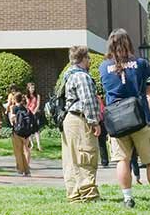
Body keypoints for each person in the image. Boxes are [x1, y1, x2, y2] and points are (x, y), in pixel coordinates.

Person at [104, 28, 150, 209]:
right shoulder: (141, 63)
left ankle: (128, 199)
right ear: (129, 43)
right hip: (140, 117)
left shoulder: (103, 67)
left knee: (122, 160)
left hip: (117, 121)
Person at [58, 44, 101, 202]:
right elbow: (88, 101)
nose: (90, 61)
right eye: (88, 58)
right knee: (86, 155)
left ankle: (74, 194)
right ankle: (89, 194)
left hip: (69, 119)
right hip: (80, 119)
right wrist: (94, 122)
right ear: (84, 58)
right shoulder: (82, 76)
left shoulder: (68, 75)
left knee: (70, 159)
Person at [7, 90, 35, 177]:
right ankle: (27, 170)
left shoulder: (14, 108)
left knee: (18, 152)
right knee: (26, 150)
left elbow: (12, 120)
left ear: (15, 99)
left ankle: (21, 169)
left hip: (17, 132)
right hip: (26, 132)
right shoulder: (25, 108)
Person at [24, 80, 43, 152]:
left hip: (35, 114)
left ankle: (39, 145)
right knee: (29, 130)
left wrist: (34, 112)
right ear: (28, 89)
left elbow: (38, 105)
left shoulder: (37, 96)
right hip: (28, 114)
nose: (33, 89)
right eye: (31, 88)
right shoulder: (26, 96)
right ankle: (32, 144)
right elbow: (26, 105)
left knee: (36, 130)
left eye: (33, 88)